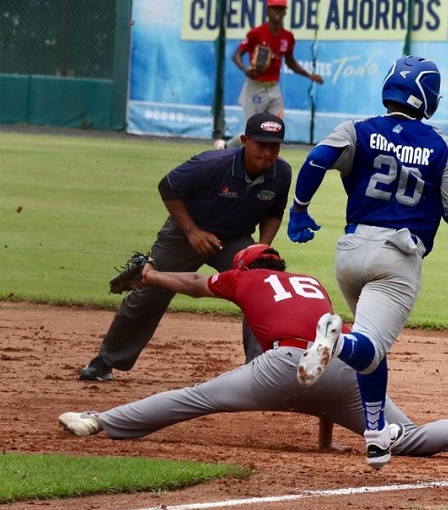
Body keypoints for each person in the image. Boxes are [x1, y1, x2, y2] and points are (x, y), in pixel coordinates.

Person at [59, 245, 448, 462]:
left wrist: (153, 277)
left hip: (282, 366)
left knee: (197, 398)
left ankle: (98, 420)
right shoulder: (313, 288)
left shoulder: (243, 276)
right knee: (402, 436)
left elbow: (194, 284)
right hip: (345, 369)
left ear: (245, 266)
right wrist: (326, 439)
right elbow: (321, 369)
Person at [286, 55, 448, 470]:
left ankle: (376, 437)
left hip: (351, 251)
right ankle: (334, 340)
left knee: (371, 349)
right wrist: (442, 205)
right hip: (397, 258)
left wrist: (300, 209)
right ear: (429, 98)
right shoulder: (440, 145)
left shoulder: (356, 129)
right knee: (366, 345)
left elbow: (317, 159)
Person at [79, 113, 292, 382]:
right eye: (261, 144)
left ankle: (260, 369)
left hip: (235, 239)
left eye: (274, 146)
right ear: (244, 140)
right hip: (185, 233)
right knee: (151, 288)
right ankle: (105, 362)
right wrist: (192, 231)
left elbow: (275, 210)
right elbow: (167, 186)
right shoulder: (212, 164)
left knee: (261, 285)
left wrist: (261, 248)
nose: (268, 152)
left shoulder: (281, 172)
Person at [215, 0, 324, 150]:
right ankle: (226, 148)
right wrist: (246, 70)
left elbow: (291, 62)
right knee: (253, 132)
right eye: (274, 8)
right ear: (267, 11)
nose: (278, 12)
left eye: (281, 9)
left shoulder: (287, 37)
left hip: (273, 88)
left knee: (275, 129)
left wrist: (310, 76)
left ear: (285, 12)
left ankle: (268, 165)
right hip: (255, 87)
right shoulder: (257, 33)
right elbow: (237, 55)